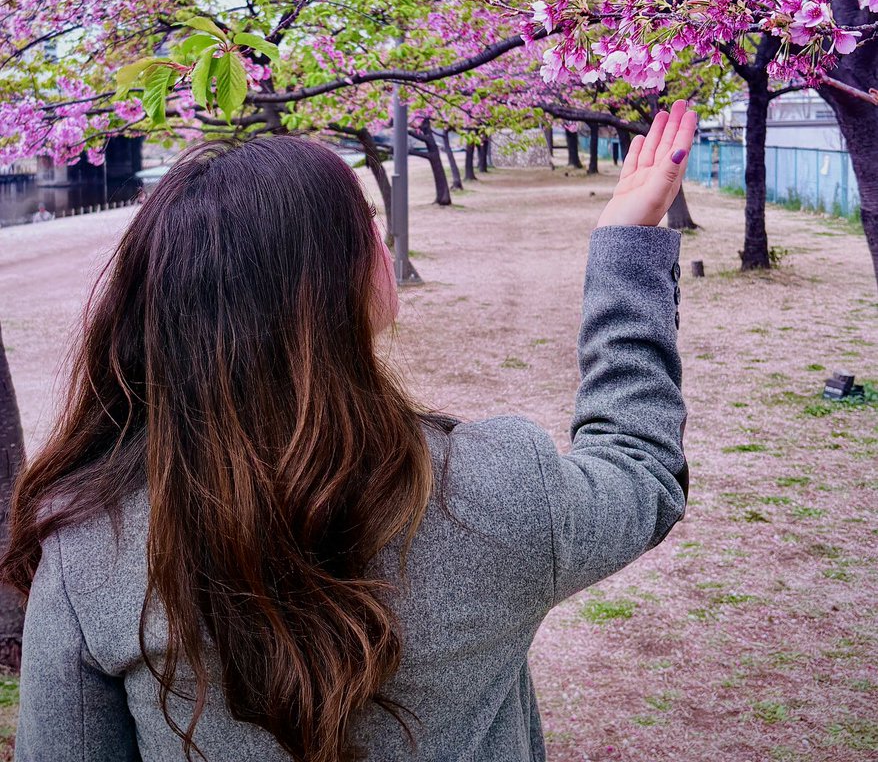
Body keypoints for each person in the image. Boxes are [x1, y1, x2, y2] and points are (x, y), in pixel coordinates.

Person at [4, 100, 697, 762]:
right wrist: (625, 246)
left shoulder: (92, 542)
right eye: (365, 215)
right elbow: (639, 468)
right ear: (332, 283)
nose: (380, 228)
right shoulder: (503, 489)